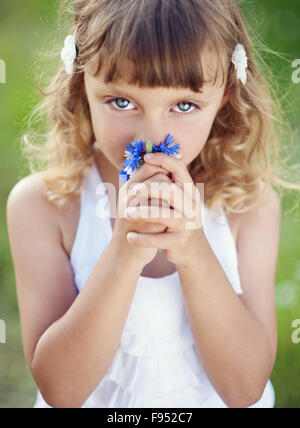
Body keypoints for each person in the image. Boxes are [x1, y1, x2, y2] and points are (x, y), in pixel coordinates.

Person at [6, 0, 299, 408]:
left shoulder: (247, 206)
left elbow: (244, 388)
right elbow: (61, 390)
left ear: (225, 97)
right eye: (122, 102)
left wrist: (195, 253)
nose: (151, 135)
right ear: (81, 84)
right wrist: (124, 255)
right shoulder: (45, 206)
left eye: (184, 105)